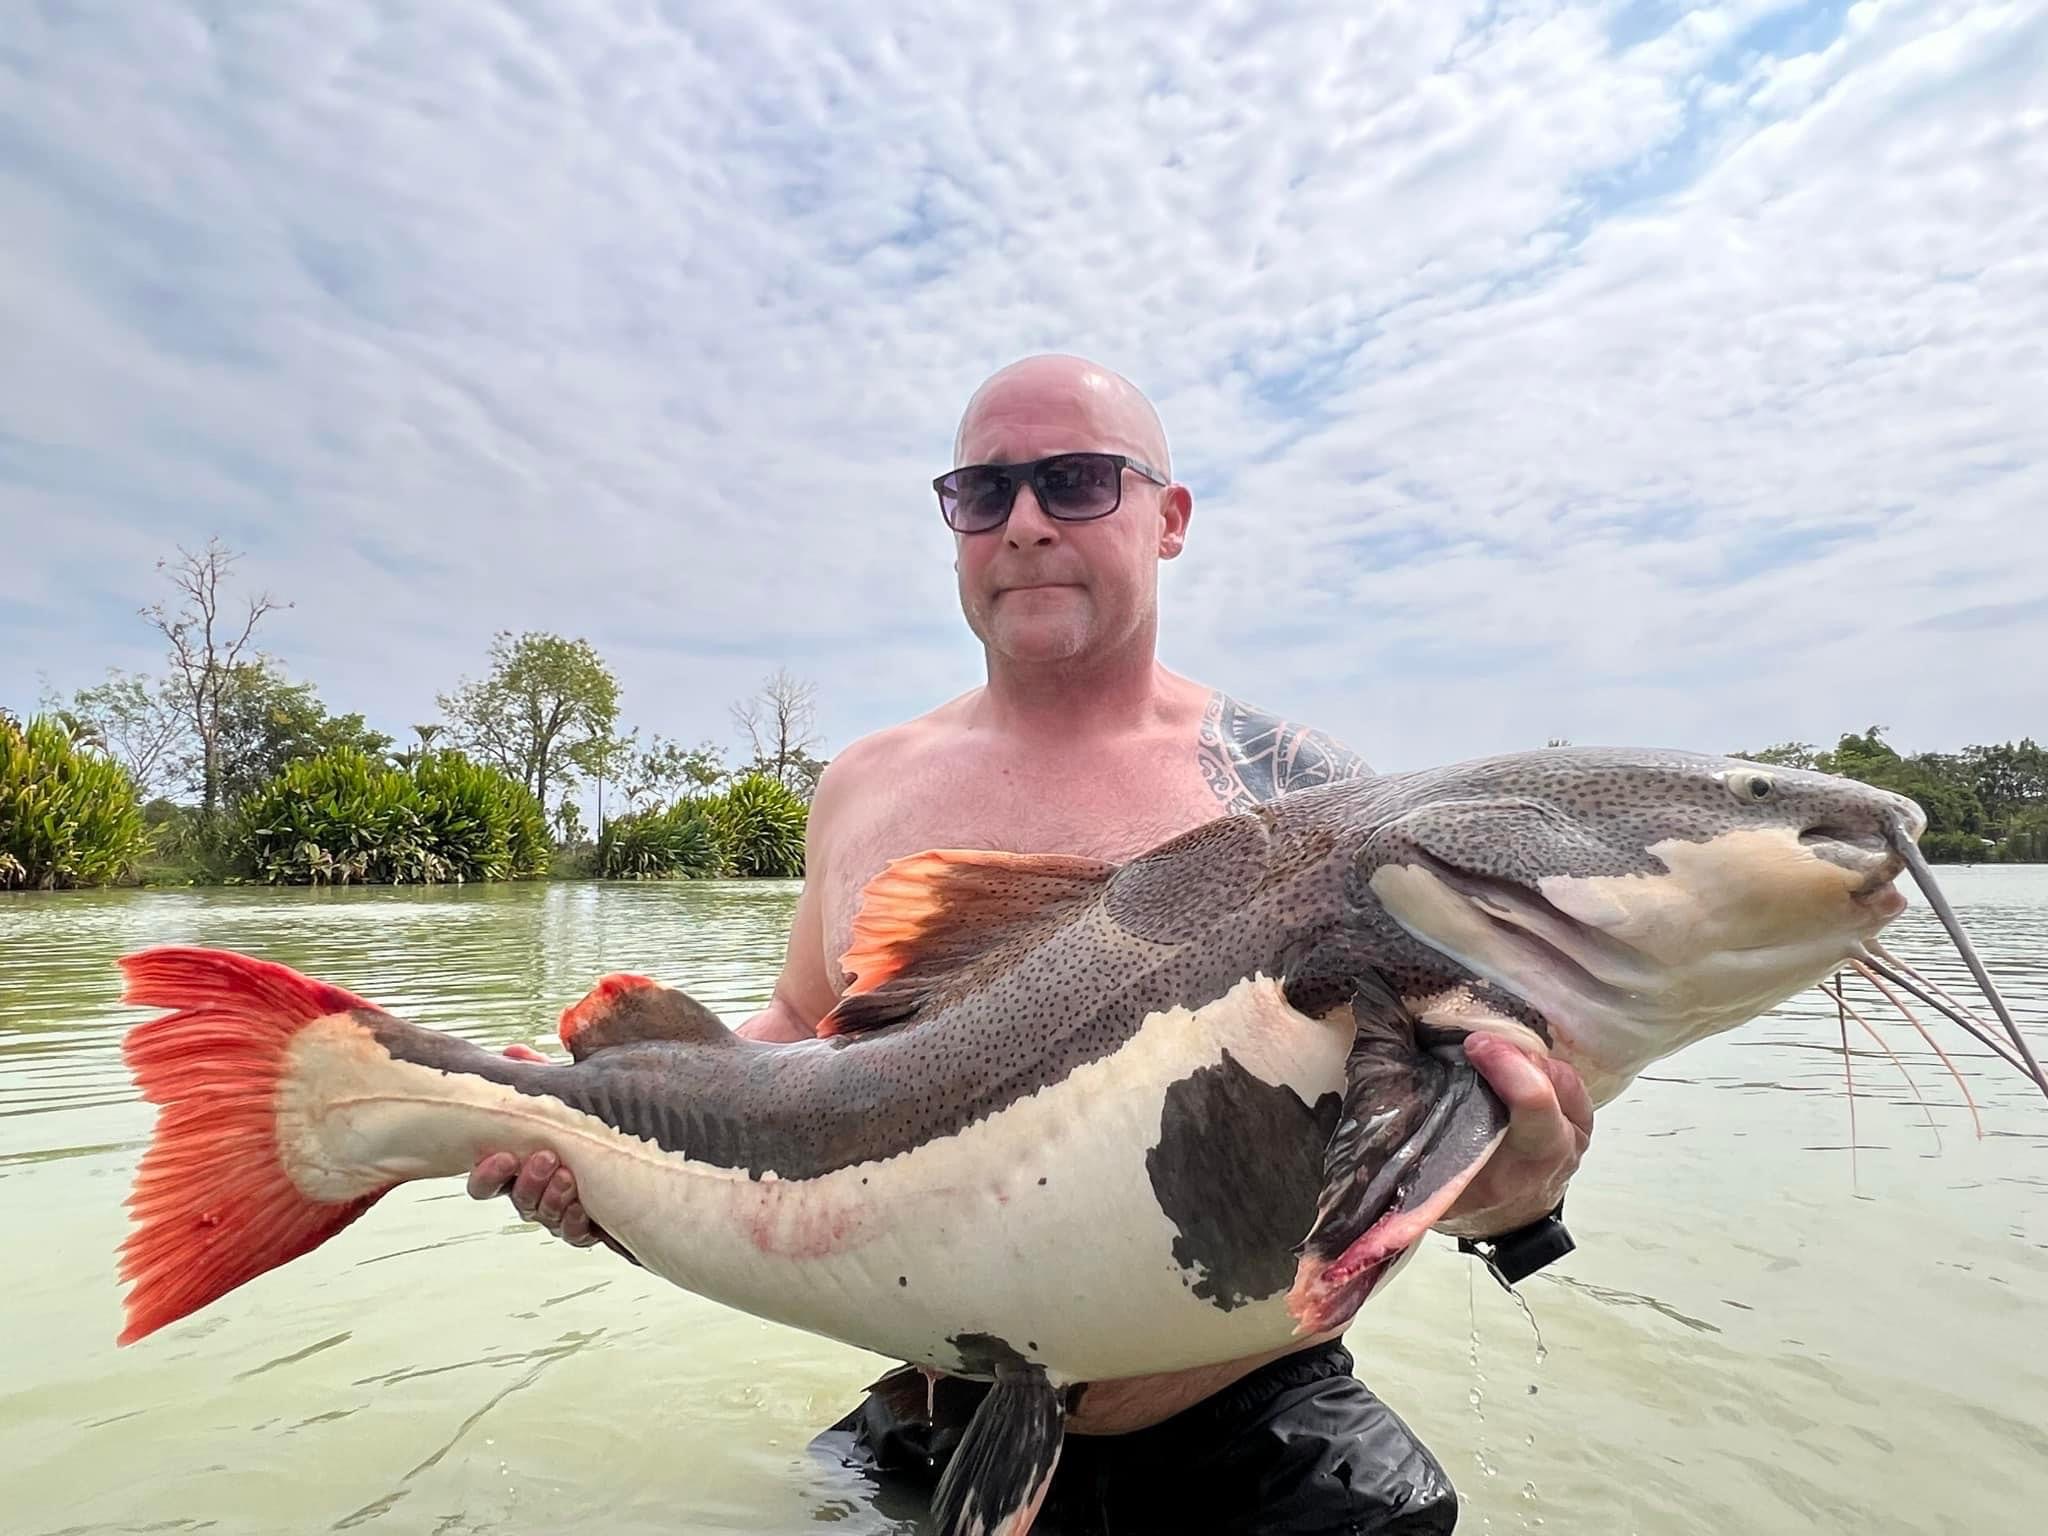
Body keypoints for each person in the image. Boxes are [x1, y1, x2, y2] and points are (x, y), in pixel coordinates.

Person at [468, 353, 1593, 1532]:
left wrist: (1518, 1200)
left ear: (1168, 519)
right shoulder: (862, 784)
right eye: (982, 492)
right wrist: (604, 1134)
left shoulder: (1305, 803)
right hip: (940, 1407)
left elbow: (1428, 1133)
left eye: (1073, 482)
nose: (1022, 525)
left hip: (1246, 1424)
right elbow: (799, 1035)